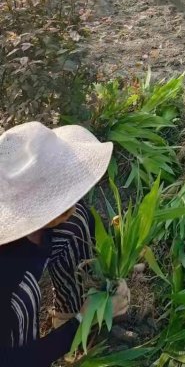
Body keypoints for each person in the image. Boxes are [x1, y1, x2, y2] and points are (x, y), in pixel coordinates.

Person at [0, 121, 130, 366]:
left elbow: (89, 226)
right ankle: (73, 328)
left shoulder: (57, 221)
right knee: (24, 298)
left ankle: (68, 312)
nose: (69, 199)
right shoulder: (7, 277)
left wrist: (118, 263)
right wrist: (81, 322)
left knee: (78, 221)